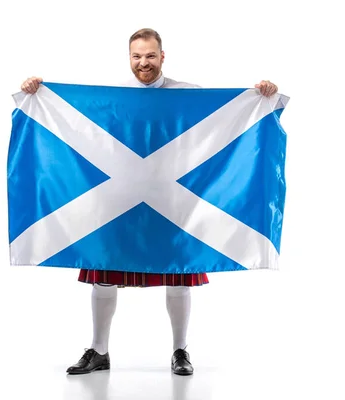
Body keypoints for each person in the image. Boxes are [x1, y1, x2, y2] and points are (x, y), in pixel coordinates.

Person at [20, 28, 279, 376]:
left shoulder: (187, 95)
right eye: (137, 56)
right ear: (129, 58)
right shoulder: (112, 96)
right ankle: (99, 351)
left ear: (162, 56)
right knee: (104, 270)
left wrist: (261, 96)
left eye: (150, 55)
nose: (144, 62)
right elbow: (78, 129)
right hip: (119, 201)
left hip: (174, 202)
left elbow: (222, 125)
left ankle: (180, 351)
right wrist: (39, 92)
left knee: (178, 273)